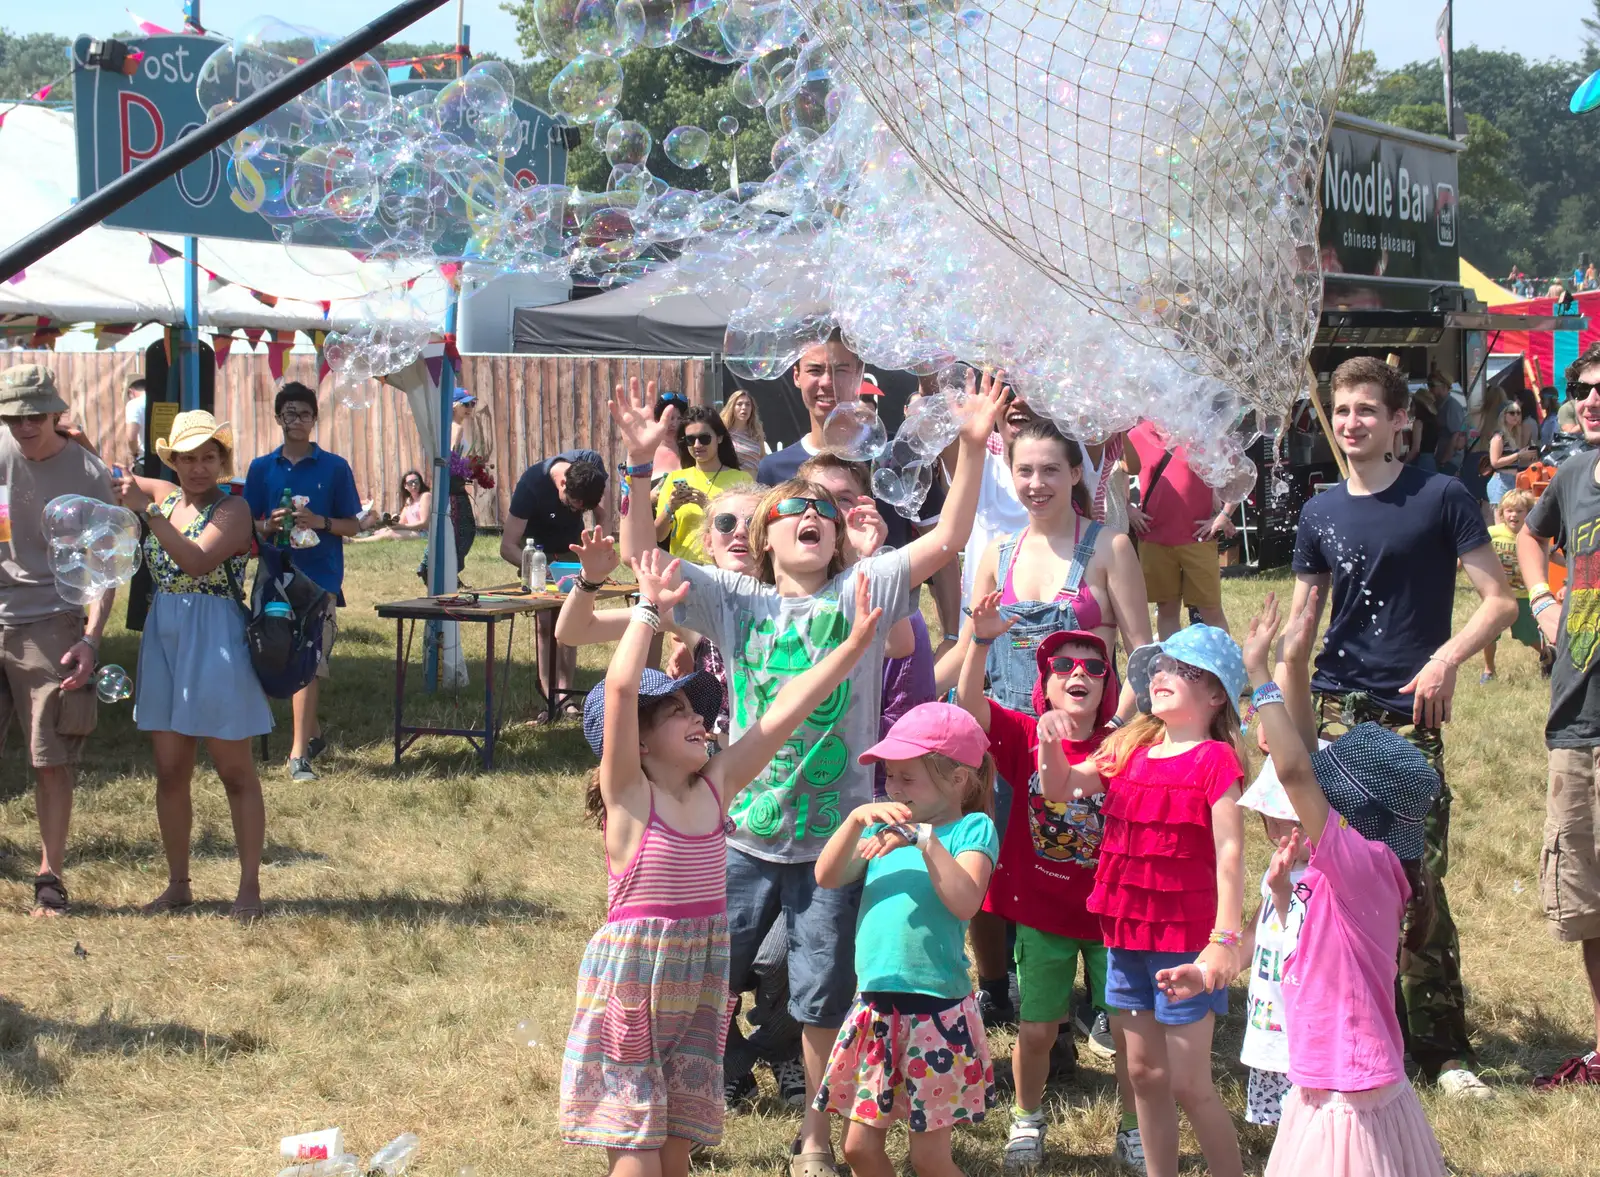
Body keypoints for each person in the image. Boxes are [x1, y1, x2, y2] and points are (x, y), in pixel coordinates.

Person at [614, 371, 1008, 1177]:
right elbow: (644, 560)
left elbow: (948, 540)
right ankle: (672, 1119)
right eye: (794, 510)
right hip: (743, 831)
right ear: (763, 534)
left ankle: (817, 1136)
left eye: (825, 514)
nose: (812, 519)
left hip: (837, 839)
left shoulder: (864, 587)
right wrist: (640, 469)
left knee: (823, 1000)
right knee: (704, 981)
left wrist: (971, 446)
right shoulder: (736, 601)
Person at [558, 550, 883, 1167]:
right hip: (635, 981)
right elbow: (623, 688)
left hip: (698, 980)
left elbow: (786, 710)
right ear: (638, 741)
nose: (697, 719)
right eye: (676, 712)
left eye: (693, 709)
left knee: (679, 1138)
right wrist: (649, 609)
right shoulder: (630, 795)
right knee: (635, 1142)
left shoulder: (715, 788)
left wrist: (852, 649)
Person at [1159, 591, 1448, 1177]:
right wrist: (1212, 969)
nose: (1300, 796)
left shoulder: (1363, 865)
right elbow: (1276, 940)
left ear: (1351, 812)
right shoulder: (1330, 868)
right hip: (1322, 1076)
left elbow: (1294, 767)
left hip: (1349, 1086)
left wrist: (1262, 671)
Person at [1290, 355, 1517, 1098]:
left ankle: (1444, 1050)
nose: (1352, 423)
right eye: (1343, 411)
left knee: (1417, 879)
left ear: (1398, 422)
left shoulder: (1440, 496)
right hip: (1333, 711)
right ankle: (1363, 1028)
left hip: (1408, 714)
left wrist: (1448, 658)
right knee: (1337, 880)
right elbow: (1302, 625)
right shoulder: (1320, 512)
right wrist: (1282, 712)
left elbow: (1499, 600)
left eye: (1366, 410)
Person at [963, 418, 1152, 1024]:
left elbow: (1144, 655)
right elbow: (975, 642)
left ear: (1076, 473)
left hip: (1091, 746)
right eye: (1024, 470)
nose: (1037, 483)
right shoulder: (999, 552)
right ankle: (1001, 985)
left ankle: (1100, 993)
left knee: (1084, 859)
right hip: (1010, 739)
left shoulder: (1110, 547)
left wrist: (1111, 737)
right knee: (995, 858)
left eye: (1051, 470)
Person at [1047, 623, 1248, 1177]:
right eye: (1160, 667)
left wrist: (1225, 939)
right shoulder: (1128, 747)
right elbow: (1062, 787)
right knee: (1144, 1076)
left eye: (1183, 670)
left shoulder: (1215, 760)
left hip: (1187, 940)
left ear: (1215, 696)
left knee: (1188, 1082)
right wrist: (1047, 743)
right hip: (1126, 933)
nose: (1162, 676)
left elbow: (1230, 854)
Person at [956, 601, 1142, 1172]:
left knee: (1131, 1039)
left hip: (1115, 917)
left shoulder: (1125, 745)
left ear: (1108, 687)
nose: (1077, 674)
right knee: (1036, 1029)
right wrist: (979, 644)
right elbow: (968, 711)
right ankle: (1027, 1118)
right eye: (1062, 665)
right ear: (1045, 683)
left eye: (1093, 667)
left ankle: (1136, 1128)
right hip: (1042, 914)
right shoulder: (1021, 733)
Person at [811, 702, 1000, 1177]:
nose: (893, 788)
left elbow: (966, 902)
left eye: (906, 778)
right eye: (889, 777)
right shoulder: (878, 830)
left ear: (957, 780)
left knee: (929, 1159)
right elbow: (827, 876)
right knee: (857, 1149)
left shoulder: (970, 830)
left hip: (935, 1014)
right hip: (874, 1009)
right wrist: (856, 821)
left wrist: (925, 841)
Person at [114, 411, 271, 922]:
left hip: (216, 639)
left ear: (222, 461)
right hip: (165, 637)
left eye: (209, 456)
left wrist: (150, 514)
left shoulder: (235, 509)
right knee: (170, 770)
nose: (199, 467)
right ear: (173, 461)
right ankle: (178, 884)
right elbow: (112, 476)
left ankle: (249, 886)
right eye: (188, 457)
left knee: (235, 772)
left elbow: (197, 561)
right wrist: (75, 438)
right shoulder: (165, 495)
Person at [757, 333, 962, 649]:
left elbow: (943, 552)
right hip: (806, 644)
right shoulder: (774, 470)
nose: (828, 382)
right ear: (796, 376)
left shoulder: (899, 454)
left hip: (892, 641)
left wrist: (950, 636)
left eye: (841, 370)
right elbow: (764, 567)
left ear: (859, 375)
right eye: (815, 370)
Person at [0, 365, 116, 917]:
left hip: (52, 623)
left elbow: (104, 567)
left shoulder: (87, 472)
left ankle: (50, 877)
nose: (22, 427)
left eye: (32, 416)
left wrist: (91, 639)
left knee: (50, 759)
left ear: (54, 413)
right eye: (12, 416)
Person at [1517, 341, 1600, 1090]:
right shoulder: (1573, 473)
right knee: (1587, 898)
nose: (1591, 401)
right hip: (1575, 716)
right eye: (1584, 389)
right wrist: (1542, 599)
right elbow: (1526, 533)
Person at [243, 382, 362, 783]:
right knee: (275, 650)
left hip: (321, 574)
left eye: (305, 414)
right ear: (278, 418)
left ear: (315, 419)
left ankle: (298, 757)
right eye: (290, 413)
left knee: (309, 658)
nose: (297, 421)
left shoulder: (335, 467)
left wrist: (321, 523)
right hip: (275, 571)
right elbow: (248, 527)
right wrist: (266, 524)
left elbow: (353, 525)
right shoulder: (262, 468)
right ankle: (311, 735)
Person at [1232, 740, 1312, 1129]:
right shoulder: (1277, 869)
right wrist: (1218, 963)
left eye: (1292, 821)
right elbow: (1256, 930)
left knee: (1315, 1132)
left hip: (1308, 1037)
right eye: (1271, 819)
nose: (1280, 831)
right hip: (1270, 1027)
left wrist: (1285, 894)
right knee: (1283, 1135)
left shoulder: (1327, 880)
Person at [503, 447, 609, 715]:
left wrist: (600, 553)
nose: (576, 510)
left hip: (571, 555)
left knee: (571, 620)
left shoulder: (586, 476)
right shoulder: (532, 485)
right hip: (537, 555)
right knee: (546, 624)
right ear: (563, 483)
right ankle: (550, 696)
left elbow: (604, 517)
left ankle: (566, 695)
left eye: (581, 508)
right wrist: (539, 566)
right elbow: (507, 546)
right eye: (572, 504)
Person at [1127, 421, 1235, 638]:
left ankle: (1224, 667)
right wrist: (1128, 508)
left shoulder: (1202, 430)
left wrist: (1224, 514)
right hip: (1154, 537)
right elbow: (1114, 471)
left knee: (1210, 610)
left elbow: (1238, 474)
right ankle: (1172, 666)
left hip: (1197, 538)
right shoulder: (1137, 435)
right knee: (1166, 609)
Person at [655, 406, 753, 563]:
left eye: (704, 438)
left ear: (719, 438)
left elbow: (752, 530)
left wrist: (709, 508)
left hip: (726, 570)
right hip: (684, 570)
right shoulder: (675, 478)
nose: (697, 445)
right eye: (690, 440)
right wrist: (669, 509)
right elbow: (658, 536)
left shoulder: (742, 480)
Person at [1482, 488, 1542, 683]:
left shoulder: (1531, 536)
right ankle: (1489, 670)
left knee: (1528, 635)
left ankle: (1548, 654)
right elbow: (1475, 550)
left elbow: (1548, 556)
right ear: (1501, 513)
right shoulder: (1492, 533)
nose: (1513, 515)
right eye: (1509, 510)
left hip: (1523, 596)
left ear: (1528, 513)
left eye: (1519, 511)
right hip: (1497, 595)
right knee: (1488, 634)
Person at [448, 389, 489, 569]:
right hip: (453, 488)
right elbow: (451, 462)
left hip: (452, 487)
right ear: (454, 405)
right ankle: (449, 570)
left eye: (472, 404)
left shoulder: (450, 426)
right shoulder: (456, 429)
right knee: (464, 531)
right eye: (465, 404)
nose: (469, 408)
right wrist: (471, 466)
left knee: (456, 530)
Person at [1486, 399, 1539, 508]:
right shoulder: (1499, 437)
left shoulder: (1513, 435)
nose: (1516, 416)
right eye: (1512, 413)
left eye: (1518, 413)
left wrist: (1527, 456)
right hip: (1500, 482)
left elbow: (1512, 460)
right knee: (1501, 520)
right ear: (1503, 415)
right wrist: (1518, 455)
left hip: (1512, 480)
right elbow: (1495, 462)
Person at [355, 470, 431, 541]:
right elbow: (402, 521)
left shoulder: (425, 496)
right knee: (382, 531)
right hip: (412, 530)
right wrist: (393, 524)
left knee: (391, 534)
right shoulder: (409, 500)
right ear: (405, 486)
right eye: (410, 482)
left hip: (424, 533)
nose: (414, 485)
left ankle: (356, 541)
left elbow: (424, 523)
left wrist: (401, 527)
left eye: (416, 482)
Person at [723, 388, 767, 474]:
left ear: (752, 408)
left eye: (748, 404)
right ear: (732, 407)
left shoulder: (756, 430)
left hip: (754, 482)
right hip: (731, 482)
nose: (744, 408)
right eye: (739, 404)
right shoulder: (723, 431)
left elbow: (762, 457)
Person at [122, 377, 147, 470]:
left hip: (145, 461)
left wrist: (134, 453)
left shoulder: (134, 404)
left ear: (131, 392)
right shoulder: (161, 402)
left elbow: (131, 437)